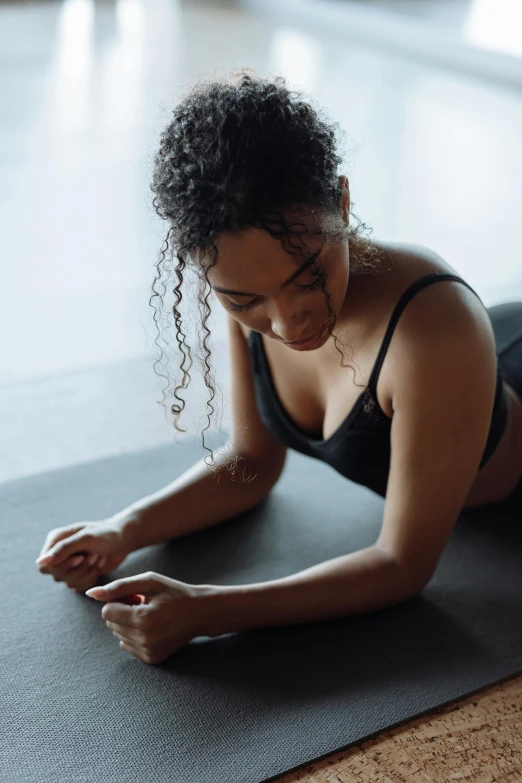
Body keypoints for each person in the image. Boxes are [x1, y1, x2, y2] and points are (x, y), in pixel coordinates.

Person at [35, 70, 522, 665]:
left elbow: (403, 566)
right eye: (244, 301)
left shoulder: (433, 331)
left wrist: (207, 610)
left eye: (310, 277)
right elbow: (251, 462)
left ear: (342, 202)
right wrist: (125, 529)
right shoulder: (252, 280)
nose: (289, 326)